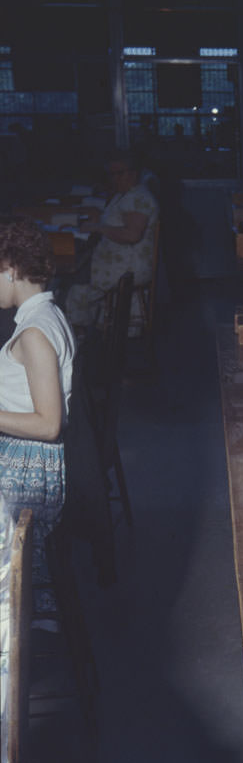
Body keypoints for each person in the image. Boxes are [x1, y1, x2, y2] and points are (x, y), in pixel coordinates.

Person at [0, 218, 76, 562]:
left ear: (10, 269)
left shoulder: (34, 334)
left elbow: (48, 424)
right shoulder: (47, 314)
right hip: (30, 459)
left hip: (26, 466)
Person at [66, 149, 159, 331]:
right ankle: (88, 330)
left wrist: (98, 227)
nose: (115, 179)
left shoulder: (139, 198)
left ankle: (78, 335)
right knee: (77, 272)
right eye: (111, 174)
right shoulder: (126, 194)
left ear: (134, 173)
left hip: (128, 268)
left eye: (120, 173)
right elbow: (118, 219)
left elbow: (132, 235)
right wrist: (98, 220)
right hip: (119, 262)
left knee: (74, 283)